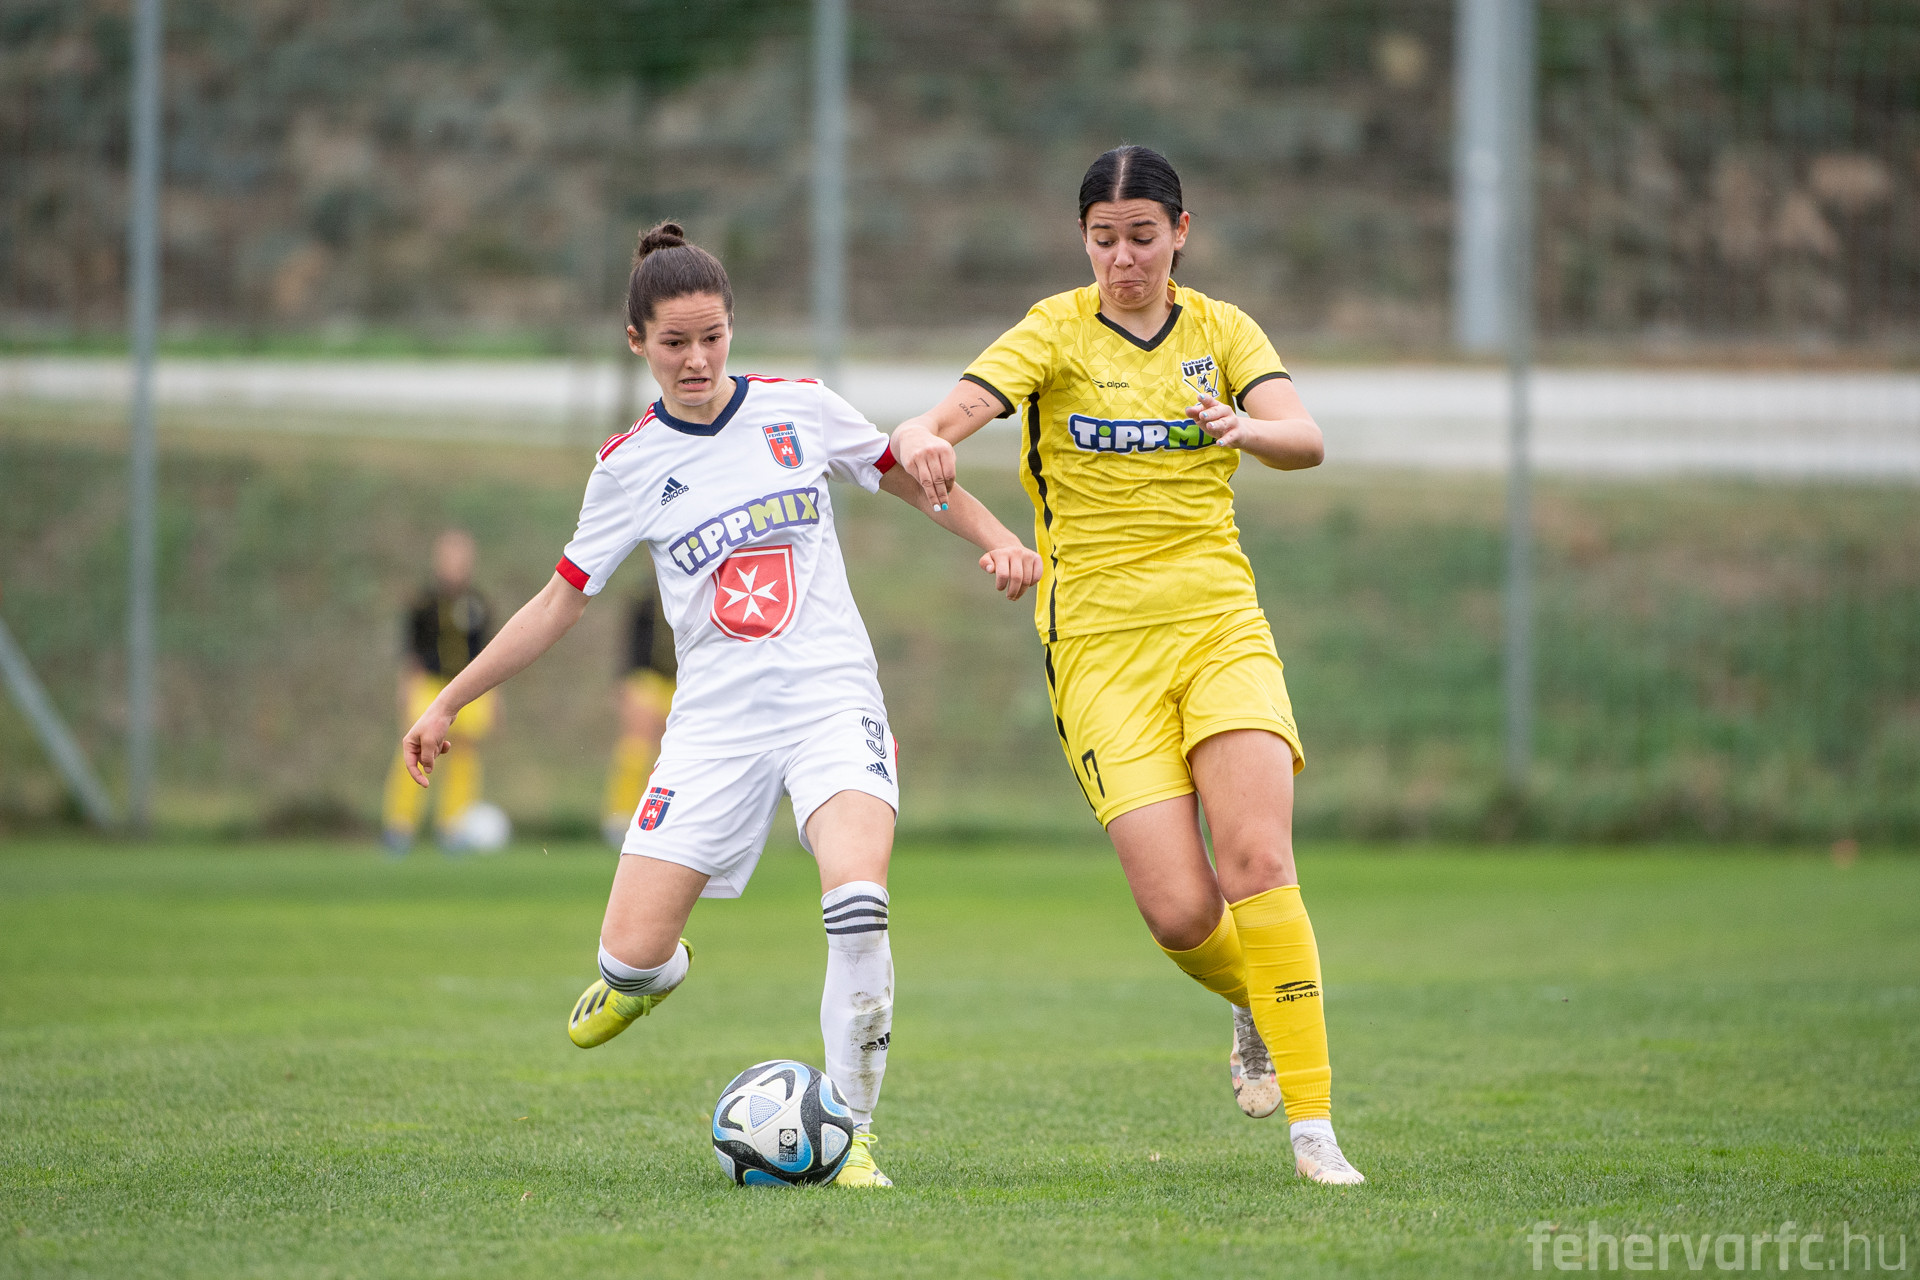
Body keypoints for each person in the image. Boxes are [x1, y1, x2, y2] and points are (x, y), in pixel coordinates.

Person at [400, 222, 1042, 1189]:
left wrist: (1001, 540)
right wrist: (448, 701)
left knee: (858, 905)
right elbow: (557, 602)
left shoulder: (800, 409)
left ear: (733, 327)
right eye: (674, 342)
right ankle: (647, 978)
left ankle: (852, 1134)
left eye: (712, 336)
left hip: (830, 700)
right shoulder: (627, 467)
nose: (697, 359)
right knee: (628, 957)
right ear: (637, 343)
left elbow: (912, 481)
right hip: (714, 729)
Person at [888, 145, 1364, 1185]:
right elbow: (950, 413)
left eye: (1143, 237)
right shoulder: (1054, 329)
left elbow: (1307, 437)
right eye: (1104, 239)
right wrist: (922, 434)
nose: (1124, 259)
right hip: (1100, 648)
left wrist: (1246, 428)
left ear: (1181, 233)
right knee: (1182, 913)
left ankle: (1315, 1129)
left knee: (1258, 863)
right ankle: (1255, 998)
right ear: (1083, 240)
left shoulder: (1224, 331)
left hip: (1218, 623)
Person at [381, 529, 498, 852]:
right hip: (430, 686)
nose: (457, 565)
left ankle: (454, 827)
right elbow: (412, 652)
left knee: (464, 754)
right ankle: (400, 826)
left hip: (469, 687)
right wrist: (406, 689)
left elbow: (489, 652)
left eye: (463, 558)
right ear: (439, 561)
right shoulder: (424, 602)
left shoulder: (478, 602)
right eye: (451, 557)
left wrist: (494, 696)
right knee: (417, 750)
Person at [601, 589, 675, 848]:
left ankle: (669, 818)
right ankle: (621, 817)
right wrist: (625, 680)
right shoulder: (646, 599)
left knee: (674, 754)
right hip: (647, 676)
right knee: (636, 747)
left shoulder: (701, 589)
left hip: (684, 681)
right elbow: (631, 642)